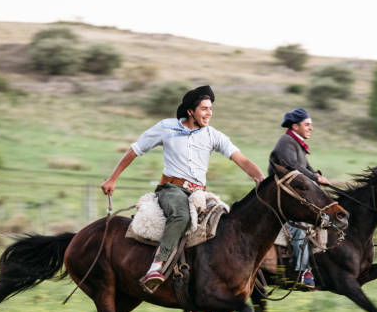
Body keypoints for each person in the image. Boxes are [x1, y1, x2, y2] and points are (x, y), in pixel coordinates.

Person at [101, 85, 265, 288]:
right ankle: (156, 266)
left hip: (200, 193)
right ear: (191, 111)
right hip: (171, 189)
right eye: (204, 108)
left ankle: (201, 278)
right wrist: (112, 179)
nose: (209, 113)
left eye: (211, 109)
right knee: (181, 216)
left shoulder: (213, 135)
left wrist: (260, 177)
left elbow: (241, 159)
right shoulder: (166, 128)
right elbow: (135, 150)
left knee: (225, 224)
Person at [268, 108, 330, 288]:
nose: (311, 128)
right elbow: (292, 166)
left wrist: (317, 176)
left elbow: (307, 170)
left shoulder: (298, 144)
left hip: (294, 195)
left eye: (311, 125)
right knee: (298, 228)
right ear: (295, 126)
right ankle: (303, 272)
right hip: (281, 197)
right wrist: (315, 178)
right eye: (307, 125)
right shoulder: (286, 141)